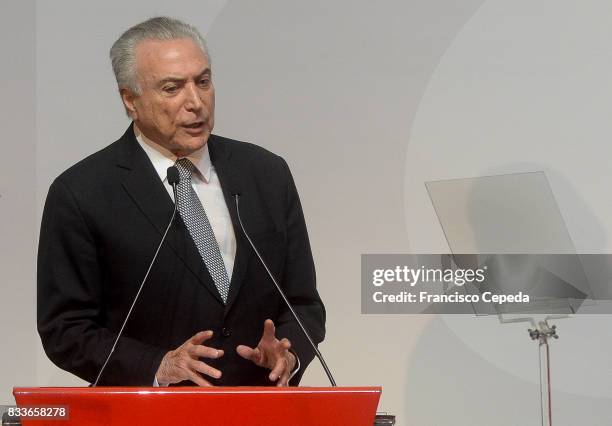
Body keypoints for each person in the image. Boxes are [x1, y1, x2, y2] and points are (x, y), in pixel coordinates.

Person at [37, 17, 325, 387]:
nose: (196, 102)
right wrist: (155, 365)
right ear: (130, 99)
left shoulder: (267, 174)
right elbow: (65, 328)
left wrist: (289, 352)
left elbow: (304, 303)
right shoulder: (82, 192)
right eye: (172, 88)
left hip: (260, 407)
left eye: (203, 82)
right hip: (150, 412)